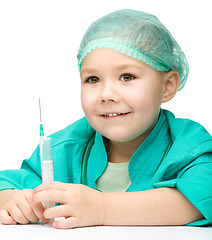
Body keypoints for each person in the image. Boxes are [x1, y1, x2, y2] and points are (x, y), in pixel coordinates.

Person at [0, 9, 211, 229]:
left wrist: (102, 208)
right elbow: (9, 182)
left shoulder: (189, 144)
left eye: (127, 77)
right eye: (93, 79)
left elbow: (204, 194)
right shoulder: (66, 149)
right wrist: (11, 200)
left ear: (167, 86)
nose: (106, 94)